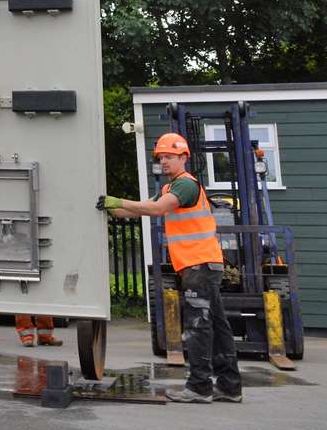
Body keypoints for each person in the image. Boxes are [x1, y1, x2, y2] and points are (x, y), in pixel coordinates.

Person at [102, 132, 242, 404]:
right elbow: (141, 209)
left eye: (169, 156)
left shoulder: (186, 186)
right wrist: (111, 208)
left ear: (184, 157)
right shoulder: (170, 188)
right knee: (217, 325)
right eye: (161, 157)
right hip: (201, 265)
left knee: (198, 325)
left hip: (198, 265)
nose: (164, 161)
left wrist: (119, 202)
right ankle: (229, 386)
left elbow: (156, 210)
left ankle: (200, 387)